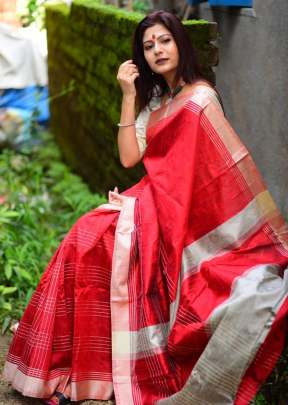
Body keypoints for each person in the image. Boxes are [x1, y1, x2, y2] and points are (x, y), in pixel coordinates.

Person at [4, 10, 288, 405]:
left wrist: (164, 207)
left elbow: (217, 172)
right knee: (81, 240)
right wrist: (127, 95)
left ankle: (97, 368)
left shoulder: (201, 99)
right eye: (149, 46)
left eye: (164, 41)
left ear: (180, 44)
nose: (157, 50)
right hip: (148, 201)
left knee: (92, 242)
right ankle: (71, 367)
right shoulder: (156, 101)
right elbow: (128, 157)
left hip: (178, 213)